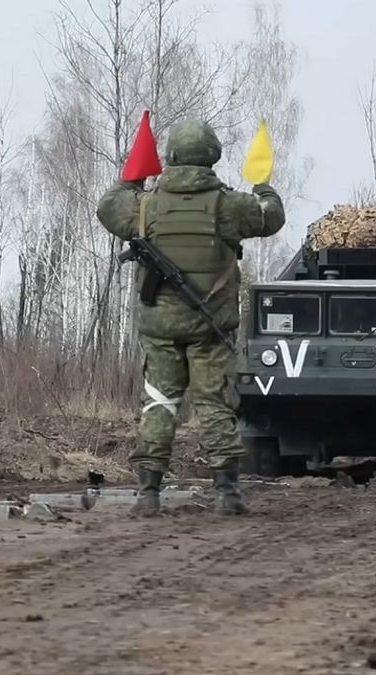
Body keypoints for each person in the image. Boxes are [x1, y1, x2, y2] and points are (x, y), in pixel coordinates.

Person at [96, 118, 286, 516]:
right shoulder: (231, 206)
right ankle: (227, 492)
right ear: (212, 157)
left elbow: (108, 208)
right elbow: (271, 217)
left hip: (160, 327)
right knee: (215, 403)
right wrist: (263, 184)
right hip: (210, 327)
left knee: (160, 402)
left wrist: (132, 178)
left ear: (173, 156)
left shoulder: (145, 205)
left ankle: (148, 493)